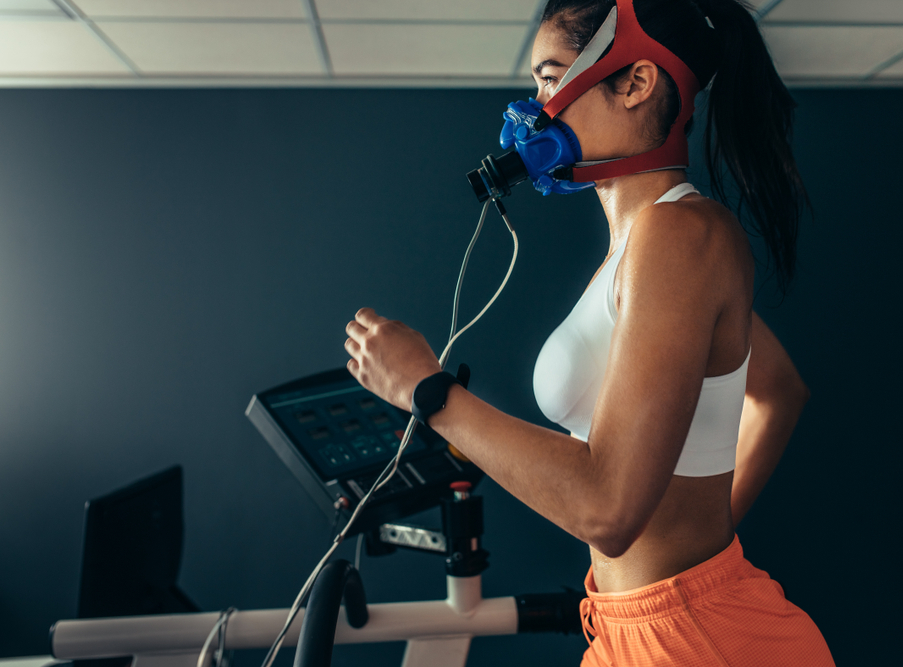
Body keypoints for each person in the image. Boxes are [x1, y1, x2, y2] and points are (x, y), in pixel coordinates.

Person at [344, 0, 835, 664]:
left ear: (634, 83)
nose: (535, 106)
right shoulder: (641, 250)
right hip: (633, 624)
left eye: (550, 77)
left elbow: (607, 506)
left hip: (698, 640)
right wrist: (696, 554)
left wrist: (427, 392)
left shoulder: (680, 235)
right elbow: (780, 390)